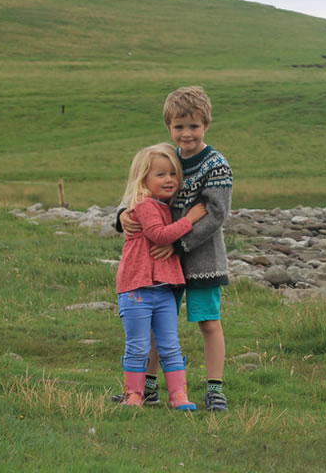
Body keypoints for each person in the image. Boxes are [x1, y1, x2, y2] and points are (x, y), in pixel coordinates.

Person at [117, 86, 234, 412]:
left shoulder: (216, 164)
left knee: (208, 322)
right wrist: (122, 216)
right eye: (179, 126)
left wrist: (178, 243)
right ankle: (148, 387)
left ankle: (215, 389)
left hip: (202, 260)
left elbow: (216, 215)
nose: (187, 133)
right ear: (169, 126)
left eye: (194, 126)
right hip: (162, 265)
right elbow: (141, 192)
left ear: (206, 125)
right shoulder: (166, 159)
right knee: (157, 322)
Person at [116, 143, 207, 409]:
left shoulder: (165, 206)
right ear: (143, 178)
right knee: (138, 345)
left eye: (173, 174)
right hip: (136, 289)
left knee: (170, 345)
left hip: (164, 290)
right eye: (161, 174)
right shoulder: (144, 205)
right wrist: (190, 219)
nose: (169, 180)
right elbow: (159, 235)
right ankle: (134, 394)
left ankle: (179, 395)